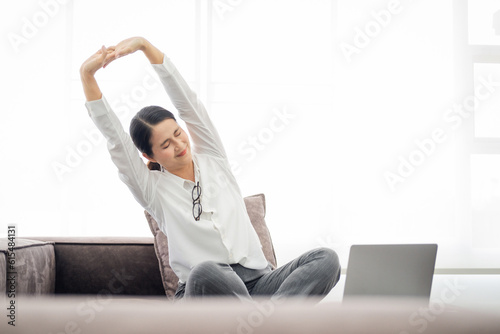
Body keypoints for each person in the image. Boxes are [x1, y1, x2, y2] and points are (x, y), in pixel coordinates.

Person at [80, 36, 341, 300]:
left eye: (178, 133)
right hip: (206, 288)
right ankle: (265, 321)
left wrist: (145, 47)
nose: (179, 144)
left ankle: (261, 321)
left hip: (259, 283)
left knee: (326, 259)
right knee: (206, 270)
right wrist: (87, 74)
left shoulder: (213, 157)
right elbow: (117, 140)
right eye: (166, 144)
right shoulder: (152, 190)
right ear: (150, 154)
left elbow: (189, 105)